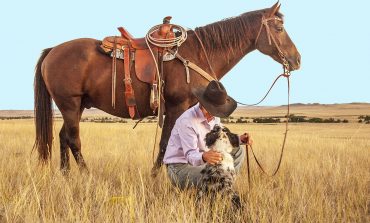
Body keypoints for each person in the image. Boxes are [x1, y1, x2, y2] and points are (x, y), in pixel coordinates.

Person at [163, 80, 253, 189]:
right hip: (180, 167)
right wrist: (204, 156)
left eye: (217, 111)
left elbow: (219, 138)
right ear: (201, 103)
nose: (213, 115)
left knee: (238, 151)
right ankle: (219, 187)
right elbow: (190, 155)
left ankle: (226, 185)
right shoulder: (187, 121)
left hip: (204, 160)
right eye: (210, 110)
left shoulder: (215, 116)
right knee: (214, 175)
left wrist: (240, 139)